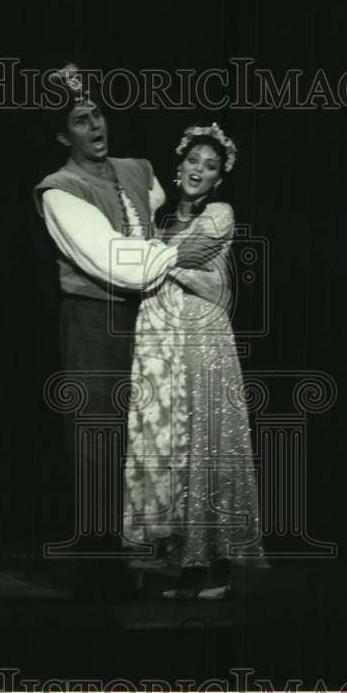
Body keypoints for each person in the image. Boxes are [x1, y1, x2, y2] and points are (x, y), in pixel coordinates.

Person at [33, 66, 223, 599]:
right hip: (94, 318)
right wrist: (181, 253)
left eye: (96, 113)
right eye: (79, 119)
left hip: (147, 317)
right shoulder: (59, 190)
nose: (94, 125)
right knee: (99, 434)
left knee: (149, 435)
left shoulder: (136, 169)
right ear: (62, 135)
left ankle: (146, 557)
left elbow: (153, 203)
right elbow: (118, 262)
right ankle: (98, 569)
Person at [123, 123, 265, 600]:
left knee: (208, 443)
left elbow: (178, 259)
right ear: (178, 165)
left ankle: (217, 567)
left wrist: (146, 255)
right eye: (193, 162)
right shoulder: (160, 220)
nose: (198, 171)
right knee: (175, 452)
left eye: (210, 166)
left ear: (218, 178)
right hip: (165, 345)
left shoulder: (219, 213)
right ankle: (186, 565)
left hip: (203, 340)